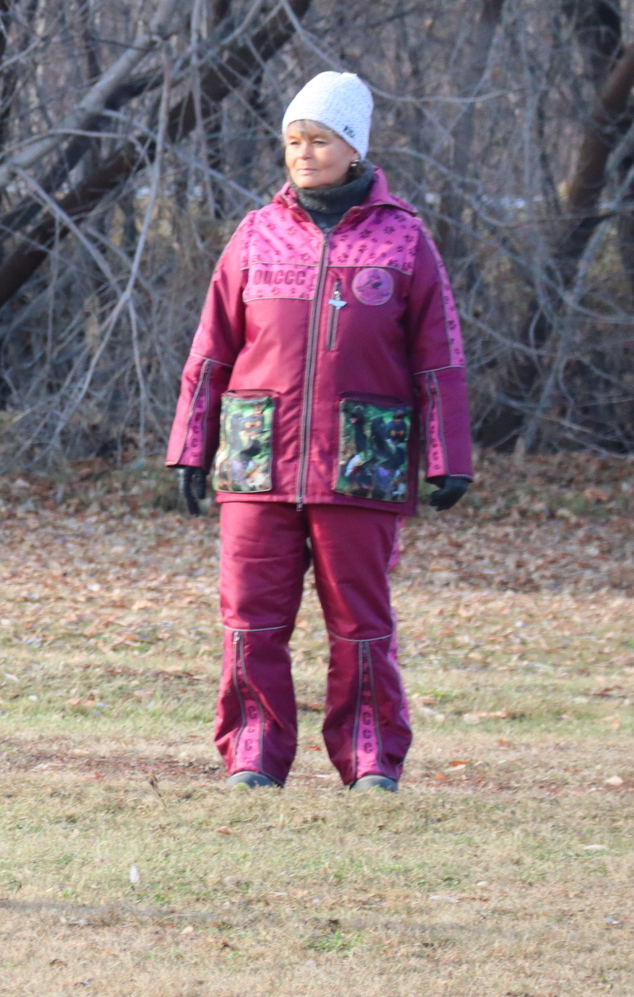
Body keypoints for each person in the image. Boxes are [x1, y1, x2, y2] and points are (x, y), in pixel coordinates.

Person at [165, 71, 473, 792]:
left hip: (362, 459)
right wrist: (190, 445)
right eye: (293, 141)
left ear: (354, 147)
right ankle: (253, 754)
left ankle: (370, 758)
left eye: (320, 140)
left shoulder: (404, 239)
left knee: (361, 622)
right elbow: (211, 348)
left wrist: (447, 456)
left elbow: (440, 356)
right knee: (250, 619)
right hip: (256, 459)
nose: (303, 154)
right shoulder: (256, 232)